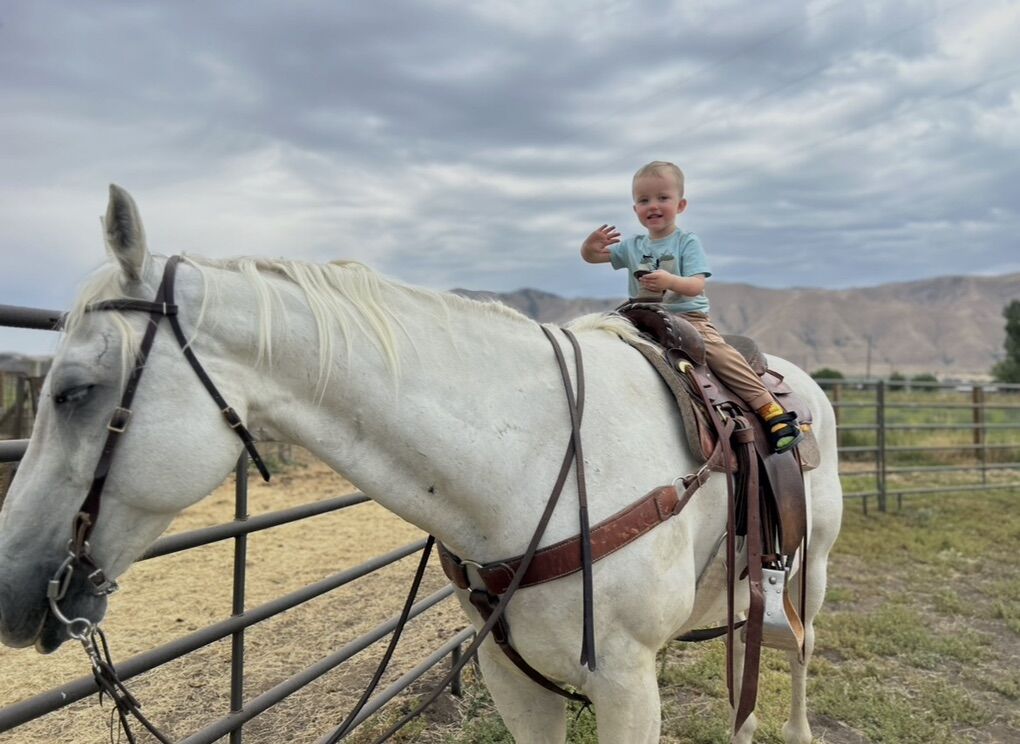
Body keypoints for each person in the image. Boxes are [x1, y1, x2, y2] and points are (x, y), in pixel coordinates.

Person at [580, 160, 803, 453]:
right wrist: (589, 245)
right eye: (644, 200)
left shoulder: (686, 242)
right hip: (642, 317)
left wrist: (669, 280)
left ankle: (770, 410)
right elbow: (593, 257)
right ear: (635, 210)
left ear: (681, 205)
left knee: (716, 351)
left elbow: (697, 285)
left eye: (663, 198)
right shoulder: (632, 246)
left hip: (687, 316)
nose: (653, 205)